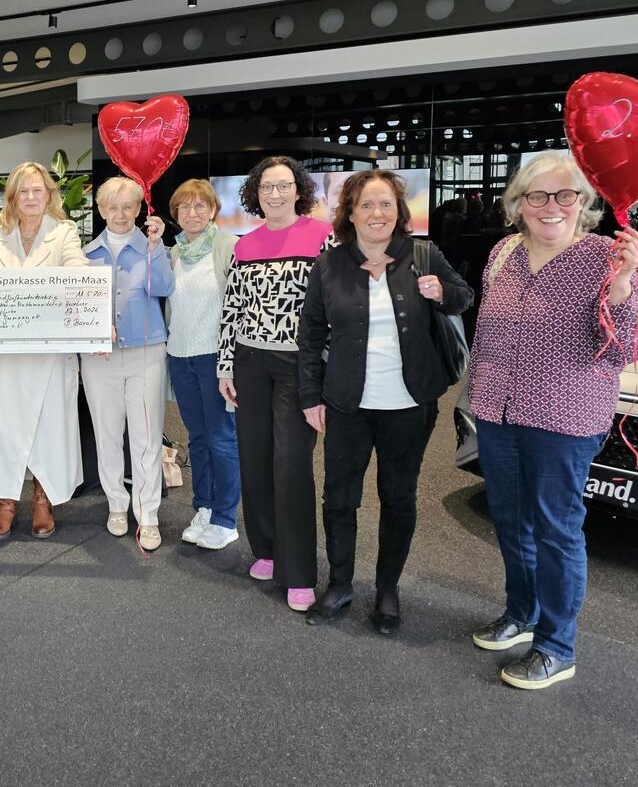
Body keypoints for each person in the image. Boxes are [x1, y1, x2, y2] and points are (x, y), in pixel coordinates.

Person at [468, 152, 638, 690]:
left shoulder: (603, 258)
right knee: (509, 521)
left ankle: (556, 645)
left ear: (583, 204)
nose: (551, 207)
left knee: (556, 531)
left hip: (563, 418)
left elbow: (628, 348)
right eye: (537, 196)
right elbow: (486, 334)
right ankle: (521, 614)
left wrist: (623, 289)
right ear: (518, 204)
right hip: (498, 410)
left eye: (564, 195)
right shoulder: (503, 253)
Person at [297, 170, 472, 634]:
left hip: (410, 403)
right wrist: (311, 396)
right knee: (338, 497)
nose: (377, 214)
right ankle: (339, 584)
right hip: (346, 403)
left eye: (387, 205)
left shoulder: (422, 254)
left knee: (398, 498)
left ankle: (387, 591)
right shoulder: (329, 264)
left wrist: (442, 292)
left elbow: (464, 296)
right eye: (367, 205)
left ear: (399, 212)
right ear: (349, 213)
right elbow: (310, 335)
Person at [218, 156, 333, 612]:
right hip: (249, 361)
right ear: (256, 193)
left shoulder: (323, 237)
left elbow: (332, 307)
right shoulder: (244, 245)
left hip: (298, 364)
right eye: (267, 187)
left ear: (299, 190)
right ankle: (265, 548)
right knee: (256, 460)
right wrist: (225, 365)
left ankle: (299, 570)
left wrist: (323, 367)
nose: (275, 194)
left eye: (284, 186)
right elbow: (232, 308)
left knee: (291, 464)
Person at [0, 161, 89, 540]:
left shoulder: (64, 232)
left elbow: (77, 270)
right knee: (4, 427)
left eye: (37, 191)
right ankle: (6, 503)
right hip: (7, 353)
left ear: (48, 195)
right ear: (12, 197)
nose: (30, 197)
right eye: (22, 191)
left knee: (48, 427)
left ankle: (43, 500)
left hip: (49, 352)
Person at [81, 177, 172, 550]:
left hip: (147, 354)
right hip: (99, 358)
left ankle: (147, 514)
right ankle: (117, 505)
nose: (120, 215)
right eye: (112, 207)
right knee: (107, 435)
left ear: (139, 209)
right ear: (101, 211)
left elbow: (164, 287)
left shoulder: (151, 246)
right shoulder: (85, 255)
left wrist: (155, 249)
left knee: (146, 437)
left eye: (128, 207)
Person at [166, 179, 241, 551]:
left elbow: (239, 309)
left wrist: (230, 362)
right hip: (179, 357)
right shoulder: (173, 253)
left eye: (199, 207)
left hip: (215, 358)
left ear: (213, 210)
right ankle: (205, 507)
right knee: (197, 438)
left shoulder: (229, 248)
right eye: (183, 208)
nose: (191, 214)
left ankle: (226, 518)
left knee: (222, 438)